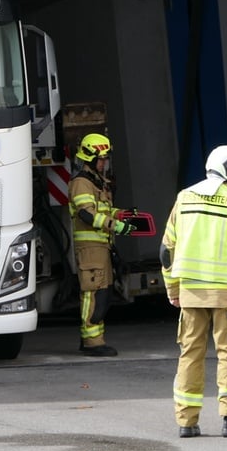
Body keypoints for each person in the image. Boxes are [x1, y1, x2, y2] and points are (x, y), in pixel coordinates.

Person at [161, 145, 227, 439]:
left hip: (191, 292)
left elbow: (166, 250)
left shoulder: (184, 199)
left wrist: (172, 287)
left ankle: (186, 422)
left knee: (189, 353)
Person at [67, 133, 135, 357]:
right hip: (90, 250)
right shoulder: (81, 183)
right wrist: (115, 226)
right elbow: (87, 214)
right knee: (93, 294)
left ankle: (94, 338)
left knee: (103, 294)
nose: (104, 162)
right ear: (90, 157)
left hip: (102, 248)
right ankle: (92, 342)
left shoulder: (97, 182)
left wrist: (122, 215)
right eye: (101, 158)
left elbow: (102, 210)